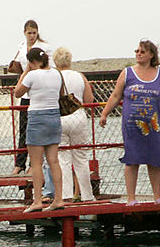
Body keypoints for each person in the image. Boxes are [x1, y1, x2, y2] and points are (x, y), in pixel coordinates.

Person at [99, 39, 160, 205]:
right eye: (137, 51)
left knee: (154, 159)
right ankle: (131, 198)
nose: (138, 54)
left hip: (153, 126)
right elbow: (115, 96)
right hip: (132, 126)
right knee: (132, 160)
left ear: (150, 55)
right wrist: (104, 113)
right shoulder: (127, 73)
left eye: (142, 51)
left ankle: (157, 196)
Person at [14, 47, 64, 212]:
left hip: (37, 117)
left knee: (36, 163)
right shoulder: (57, 74)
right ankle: (58, 199)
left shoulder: (32, 75)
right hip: (54, 116)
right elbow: (61, 93)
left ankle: (37, 201)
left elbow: (18, 92)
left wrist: (26, 71)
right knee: (54, 160)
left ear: (32, 61)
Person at [8, 20, 54, 174]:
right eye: (29, 33)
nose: (32, 36)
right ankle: (19, 163)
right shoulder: (21, 47)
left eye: (34, 33)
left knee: (37, 129)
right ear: (24, 33)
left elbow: (51, 67)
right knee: (23, 128)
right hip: (26, 88)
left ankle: (34, 164)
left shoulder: (45, 47)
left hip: (38, 91)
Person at [53, 47, 95, 202]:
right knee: (81, 158)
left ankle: (66, 195)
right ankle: (87, 195)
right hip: (78, 116)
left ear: (55, 61)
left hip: (60, 118)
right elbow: (89, 99)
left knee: (63, 158)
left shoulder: (54, 76)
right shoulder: (80, 76)